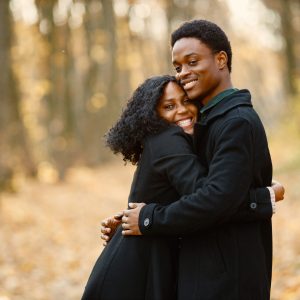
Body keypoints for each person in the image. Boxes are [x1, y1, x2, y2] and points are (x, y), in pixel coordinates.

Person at [82, 75, 283, 300]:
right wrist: (266, 196)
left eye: (186, 101)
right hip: (136, 273)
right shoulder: (168, 139)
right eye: (169, 106)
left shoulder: (182, 141)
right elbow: (213, 200)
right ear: (152, 115)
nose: (182, 110)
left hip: (150, 262)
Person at [120, 20, 280, 299]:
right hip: (205, 267)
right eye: (178, 66)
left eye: (192, 61)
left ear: (221, 59)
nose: (183, 72)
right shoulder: (203, 123)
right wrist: (263, 197)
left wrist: (149, 218)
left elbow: (216, 200)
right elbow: (202, 189)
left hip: (228, 275)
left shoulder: (236, 122)